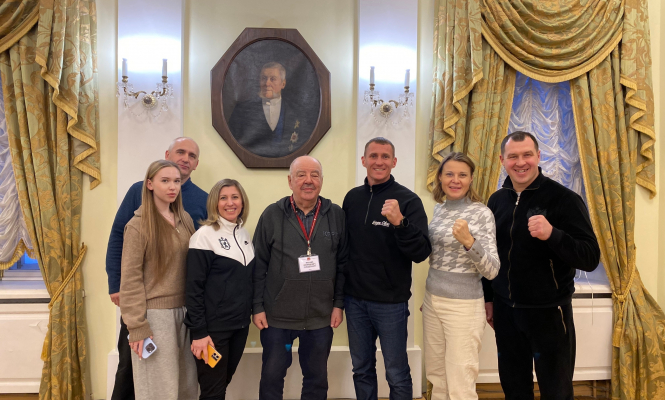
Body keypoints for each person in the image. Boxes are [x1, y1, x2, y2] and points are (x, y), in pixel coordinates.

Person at [482, 131, 600, 400]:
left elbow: (590, 257)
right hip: (506, 312)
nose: (520, 162)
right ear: (502, 160)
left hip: (549, 313)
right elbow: (489, 257)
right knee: (514, 389)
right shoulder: (496, 201)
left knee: (556, 391)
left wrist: (553, 235)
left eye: (527, 155)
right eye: (513, 156)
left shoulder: (564, 199)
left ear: (538, 156)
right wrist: (489, 299)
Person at [106, 137, 207, 400]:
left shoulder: (186, 218)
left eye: (176, 182)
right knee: (155, 387)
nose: (172, 186)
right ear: (150, 184)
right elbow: (130, 273)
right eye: (165, 181)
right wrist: (136, 323)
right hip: (153, 313)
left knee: (184, 386)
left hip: (184, 312)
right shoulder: (138, 224)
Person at [343, 137, 432, 400]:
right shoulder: (352, 198)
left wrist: (400, 223)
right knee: (361, 369)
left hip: (390, 304)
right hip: (355, 301)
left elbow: (421, 252)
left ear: (394, 162)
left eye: (385, 157)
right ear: (363, 161)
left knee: (396, 373)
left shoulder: (408, 200)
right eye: (373, 156)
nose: (378, 161)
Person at [252, 155, 348, 400]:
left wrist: (338, 304)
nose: (308, 180)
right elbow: (258, 265)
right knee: (272, 377)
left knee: (317, 380)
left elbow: (343, 264)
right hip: (277, 318)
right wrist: (257, 307)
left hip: (320, 318)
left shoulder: (336, 215)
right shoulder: (272, 214)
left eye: (314, 175)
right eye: (301, 175)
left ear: (322, 180)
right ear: (290, 181)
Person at [423, 152, 499, 400]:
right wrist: (432, 298)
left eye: (462, 175)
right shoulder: (439, 209)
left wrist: (470, 242)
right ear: (440, 178)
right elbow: (437, 257)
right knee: (437, 376)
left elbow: (492, 270)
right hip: (433, 301)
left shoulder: (481, 213)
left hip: (464, 307)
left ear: (471, 179)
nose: (455, 180)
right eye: (449, 174)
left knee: (460, 384)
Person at [185, 179, 255, 400]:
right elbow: (193, 289)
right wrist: (199, 333)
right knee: (213, 391)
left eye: (235, 197)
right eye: (223, 198)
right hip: (213, 331)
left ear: (242, 202)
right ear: (214, 203)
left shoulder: (244, 234)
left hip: (240, 327)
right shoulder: (203, 236)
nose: (230, 203)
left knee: (222, 384)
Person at [227, 62, 308, 157]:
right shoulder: (241, 110)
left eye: (273, 79)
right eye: (264, 78)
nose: (267, 83)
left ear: (283, 84)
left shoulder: (297, 112)